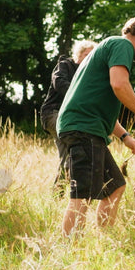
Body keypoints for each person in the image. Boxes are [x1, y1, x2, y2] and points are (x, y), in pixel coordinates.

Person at [57, 15, 135, 236]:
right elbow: (119, 84)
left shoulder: (107, 48)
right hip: (83, 128)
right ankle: (67, 253)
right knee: (83, 195)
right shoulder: (122, 44)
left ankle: (106, 240)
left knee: (115, 185)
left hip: (88, 126)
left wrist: (125, 136)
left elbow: (100, 103)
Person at [40, 40, 96, 187]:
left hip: (71, 118)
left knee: (69, 155)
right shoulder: (64, 65)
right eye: (86, 54)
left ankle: (60, 194)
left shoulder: (88, 74)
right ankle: (67, 191)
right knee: (73, 141)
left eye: (92, 56)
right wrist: (78, 95)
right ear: (78, 54)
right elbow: (59, 83)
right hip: (53, 113)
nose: (89, 58)